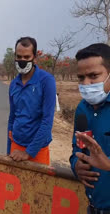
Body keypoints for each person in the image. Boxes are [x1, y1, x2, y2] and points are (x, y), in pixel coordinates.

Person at [70, 43, 110, 213]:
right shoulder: (81, 109)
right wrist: (76, 165)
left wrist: (108, 164)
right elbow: (76, 149)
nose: (86, 84)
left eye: (93, 76)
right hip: (93, 207)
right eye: (81, 78)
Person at [7, 37, 56, 165]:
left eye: (26, 57)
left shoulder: (47, 81)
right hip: (16, 146)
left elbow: (47, 121)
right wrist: (8, 150)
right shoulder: (13, 84)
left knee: (38, 184)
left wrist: (28, 153)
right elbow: (12, 118)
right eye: (19, 57)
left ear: (34, 58)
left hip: (38, 150)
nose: (22, 60)